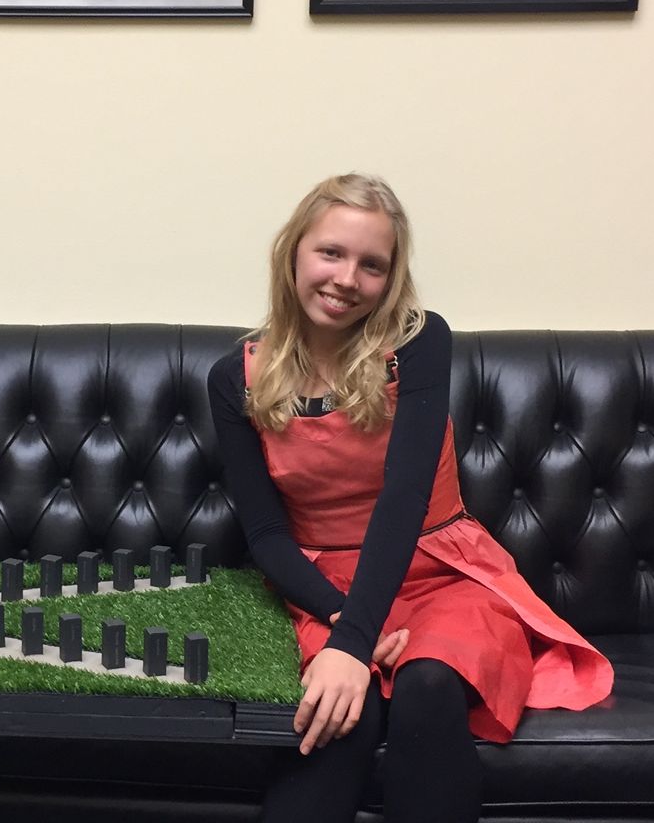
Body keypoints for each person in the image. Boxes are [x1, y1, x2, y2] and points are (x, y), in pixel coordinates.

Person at [209, 175, 612, 823]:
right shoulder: (234, 379)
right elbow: (265, 534)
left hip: (440, 573)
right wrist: (345, 624)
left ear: (391, 279)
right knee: (339, 711)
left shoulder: (420, 342)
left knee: (427, 686)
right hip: (323, 588)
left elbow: (403, 499)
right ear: (293, 253)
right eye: (331, 253)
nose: (347, 278)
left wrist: (356, 639)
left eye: (373, 265)